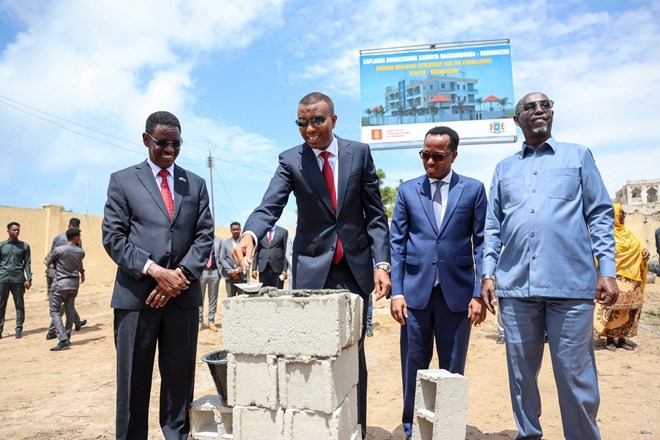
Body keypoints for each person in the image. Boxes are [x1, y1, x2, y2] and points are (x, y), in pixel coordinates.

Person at [232, 92, 391, 439]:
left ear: (333, 119)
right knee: (310, 352)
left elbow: (376, 216)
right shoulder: (291, 160)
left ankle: (356, 427)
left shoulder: (359, 153)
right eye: (302, 123)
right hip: (311, 271)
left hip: (354, 269)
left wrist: (382, 264)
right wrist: (250, 235)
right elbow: (269, 205)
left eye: (317, 120)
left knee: (353, 353)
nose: (309, 129)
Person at [481, 92, 620, 440]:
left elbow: (600, 214)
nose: (539, 109)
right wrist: (487, 273)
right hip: (516, 286)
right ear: (518, 120)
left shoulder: (578, 156)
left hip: (570, 285)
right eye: (529, 107)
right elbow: (492, 226)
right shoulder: (504, 169)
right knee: (521, 375)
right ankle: (528, 435)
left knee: (575, 375)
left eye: (545, 104)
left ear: (552, 113)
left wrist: (607, 270)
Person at [102, 111, 214, 440]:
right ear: (146, 139)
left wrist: (179, 276)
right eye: (162, 142)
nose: (169, 149)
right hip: (137, 299)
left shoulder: (195, 184)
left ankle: (176, 435)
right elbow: (113, 237)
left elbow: (204, 236)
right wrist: (154, 270)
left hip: (182, 298)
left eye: (176, 143)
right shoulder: (123, 180)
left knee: (179, 381)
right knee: (133, 382)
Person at [389, 126, 487, 440]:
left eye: (437, 156)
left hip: (457, 295)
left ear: (453, 155)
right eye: (425, 155)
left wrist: (478, 293)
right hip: (415, 294)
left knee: (452, 368)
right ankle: (411, 429)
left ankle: (448, 429)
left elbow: (482, 243)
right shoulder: (407, 191)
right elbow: (397, 244)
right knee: (413, 365)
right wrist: (397, 291)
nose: (429, 162)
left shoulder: (473, 190)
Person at [594, 204, 649, 351]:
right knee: (612, 309)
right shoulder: (608, 234)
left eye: (624, 213)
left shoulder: (628, 233)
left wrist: (644, 252)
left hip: (632, 279)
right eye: (621, 212)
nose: (624, 215)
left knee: (628, 310)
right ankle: (610, 339)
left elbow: (637, 248)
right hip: (615, 278)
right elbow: (603, 254)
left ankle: (622, 338)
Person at [45, 217, 86, 339]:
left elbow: (50, 257)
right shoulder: (78, 245)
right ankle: (61, 330)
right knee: (66, 304)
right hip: (68, 278)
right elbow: (79, 260)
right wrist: (82, 273)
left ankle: (58, 331)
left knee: (61, 305)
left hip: (57, 275)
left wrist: (51, 265)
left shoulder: (58, 239)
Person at [0, 222, 32, 339]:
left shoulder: (25, 246)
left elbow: (27, 263)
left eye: (18, 230)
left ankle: (19, 329)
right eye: (14, 230)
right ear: (8, 231)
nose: (16, 232)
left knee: (19, 305)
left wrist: (29, 278)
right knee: (1, 305)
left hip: (18, 279)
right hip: (2, 279)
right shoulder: (2, 246)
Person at [199, 235, 222, 332]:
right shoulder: (201, 238)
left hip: (214, 272)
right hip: (202, 272)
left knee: (213, 298)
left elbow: (221, 256)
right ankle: (199, 322)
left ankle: (211, 322)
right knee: (200, 298)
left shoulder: (219, 240)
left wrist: (220, 272)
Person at [220, 222, 247, 297]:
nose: (236, 231)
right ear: (231, 230)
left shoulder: (245, 242)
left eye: (237, 229)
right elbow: (222, 259)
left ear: (240, 229)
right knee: (230, 298)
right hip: (230, 276)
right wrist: (231, 271)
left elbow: (247, 258)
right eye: (234, 230)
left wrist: (237, 271)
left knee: (243, 299)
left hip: (242, 276)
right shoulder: (225, 243)